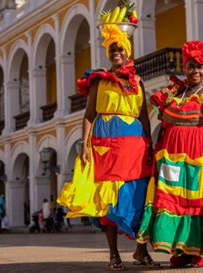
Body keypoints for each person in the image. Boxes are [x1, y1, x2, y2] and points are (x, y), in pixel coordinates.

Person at [57, 18, 157, 270]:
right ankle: (114, 255)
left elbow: (144, 115)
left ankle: (140, 250)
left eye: (120, 49)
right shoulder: (98, 81)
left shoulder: (138, 82)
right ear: (108, 53)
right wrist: (84, 145)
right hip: (106, 142)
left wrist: (150, 143)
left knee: (138, 194)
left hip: (134, 143)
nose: (117, 53)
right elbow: (89, 114)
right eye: (112, 49)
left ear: (127, 51)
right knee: (109, 198)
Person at [137, 40, 203, 268]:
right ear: (184, 68)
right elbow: (164, 126)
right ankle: (179, 250)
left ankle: (196, 252)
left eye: (200, 67)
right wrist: (157, 153)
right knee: (174, 200)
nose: (195, 71)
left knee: (200, 203)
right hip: (173, 158)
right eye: (191, 66)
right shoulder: (175, 94)